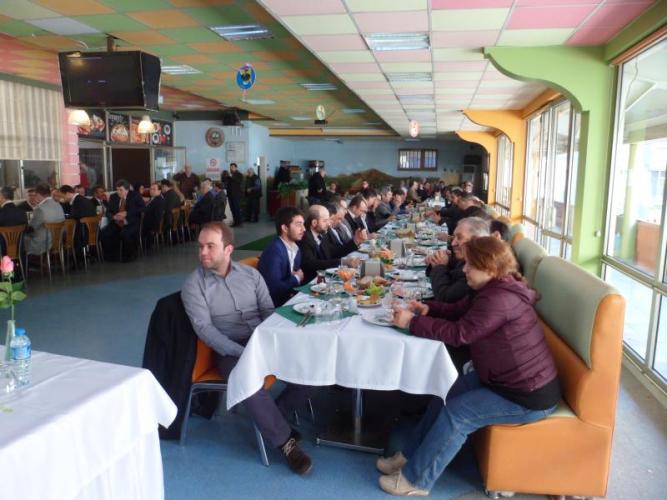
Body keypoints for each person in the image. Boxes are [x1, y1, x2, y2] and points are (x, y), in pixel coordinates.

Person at [383, 237, 560, 496]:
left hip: (527, 395)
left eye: (470, 265)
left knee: (458, 414)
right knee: (445, 391)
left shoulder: (499, 299)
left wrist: (412, 323)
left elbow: (461, 333)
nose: (464, 269)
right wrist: (427, 309)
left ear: (490, 267)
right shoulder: (492, 289)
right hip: (502, 379)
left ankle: (416, 480)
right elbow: (458, 310)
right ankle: (408, 457)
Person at [181, 221, 313, 475]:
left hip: (262, 338)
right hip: (229, 349)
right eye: (200, 246)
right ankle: (285, 443)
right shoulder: (194, 285)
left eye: (210, 246)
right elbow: (205, 330)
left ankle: (273, 418)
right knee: (248, 379)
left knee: (311, 368)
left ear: (228, 249)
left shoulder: (251, 275)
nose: (203, 252)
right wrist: (243, 352)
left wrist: (277, 340)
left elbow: (267, 311)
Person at [299, 205, 363, 283]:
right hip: (311, 282)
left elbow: (334, 252)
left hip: (325, 279)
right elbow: (311, 264)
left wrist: (355, 241)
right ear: (314, 223)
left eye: (328, 220)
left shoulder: (322, 234)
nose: (329, 224)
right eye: (325, 221)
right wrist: (342, 262)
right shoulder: (304, 238)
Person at [257, 207, 305, 307]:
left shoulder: (296, 248)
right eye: (298, 224)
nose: (303, 229)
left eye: (303, 224)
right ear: (285, 228)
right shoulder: (274, 251)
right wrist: (296, 278)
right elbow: (274, 288)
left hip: (289, 298)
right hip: (275, 306)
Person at [100, 179, 145, 262]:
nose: (118, 192)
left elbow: (142, 208)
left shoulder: (135, 195)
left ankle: (131, 255)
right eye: (117, 189)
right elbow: (108, 212)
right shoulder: (113, 197)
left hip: (130, 222)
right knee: (104, 233)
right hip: (117, 222)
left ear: (127, 190)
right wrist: (113, 217)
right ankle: (111, 256)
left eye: (121, 190)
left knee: (125, 233)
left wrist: (127, 213)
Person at [23, 183, 65, 256]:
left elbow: (31, 227)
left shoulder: (40, 209)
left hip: (43, 244)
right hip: (58, 241)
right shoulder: (58, 205)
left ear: (38, 194)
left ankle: (22, 262)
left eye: (35, 195)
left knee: (20, 238)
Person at [142, 182, 166, 246]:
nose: (151, 191)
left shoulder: (159, 201)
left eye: (154, 189)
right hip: (147, 224)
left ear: (159, 191)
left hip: (150, 227)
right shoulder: (154, 199)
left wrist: (153, 230)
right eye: (150, 189)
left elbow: (158, 216)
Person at [226, 163, 244, 227]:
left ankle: (239, 222)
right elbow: (226, 182)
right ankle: (235, 222)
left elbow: (239, 181)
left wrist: (231, 176)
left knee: (237, 208)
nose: (231, 168)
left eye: (233, 167)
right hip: (230, 194)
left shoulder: (239, 174)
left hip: (236, 194)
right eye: (231, 167)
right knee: (232, 209)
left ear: (236, 168)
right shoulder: (229, 175)